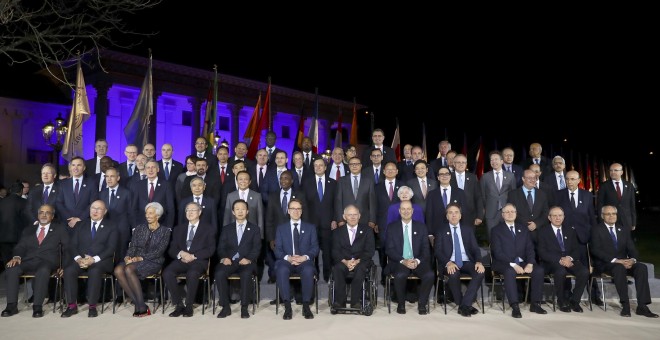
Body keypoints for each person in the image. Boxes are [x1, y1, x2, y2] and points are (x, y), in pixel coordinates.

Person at [590, 205, 658, 318]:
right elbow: (595, 250)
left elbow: (632, 249)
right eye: (608, 214)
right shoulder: (596, 230)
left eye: (613, 214)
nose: (611, 216)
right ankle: (625, 305)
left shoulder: (623, 229)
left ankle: (642, 306)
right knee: (619, 268)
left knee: (641, 268)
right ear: (602, 216)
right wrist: (617, 261)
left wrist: (632, 260)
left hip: (624, 262)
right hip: (606, 263)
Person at [1, 204, 68, 318]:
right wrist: (17, 256)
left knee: (43, 270)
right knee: (11, 268)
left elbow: (67, 248)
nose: (44, 215)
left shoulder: (59, 229)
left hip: (47, 261)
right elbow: (20, 246)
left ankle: (37, 306)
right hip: (29, 260)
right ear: (38, 215)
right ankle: (11, 305)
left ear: (52, 216)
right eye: (41, 212)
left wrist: (64, 266)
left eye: (47, 213)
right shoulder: (29, 229)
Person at [114, 202, 171, 317]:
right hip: (135, 259)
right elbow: (133, 246)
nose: (147, 216)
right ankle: (140, 304)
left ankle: (140, 306)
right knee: (118, 270)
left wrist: (140, 258)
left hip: (153, 261)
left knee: (129, 269)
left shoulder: (165, 231)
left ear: (158, 216)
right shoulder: (139, 228)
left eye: (150, 213)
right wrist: (127, 257)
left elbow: (159, 251)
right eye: (146, 213)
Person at [490, 203, 547, 318]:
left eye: (512, 212)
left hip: (522, 262)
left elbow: (530, 248)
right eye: (507, 212)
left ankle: (535, 303)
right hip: (504, 263)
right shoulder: (496, 230)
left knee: (539, 270)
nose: (510, 214)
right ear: (502, 215)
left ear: (516, 214)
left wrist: (530, 263)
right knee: (510, 271)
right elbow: (498, 252)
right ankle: (515, 306)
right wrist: (513, 265)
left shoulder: (523, 229)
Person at [62, 200, 117, 318]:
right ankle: (71, 305)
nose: (95, 211)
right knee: (69, 270)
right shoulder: (80, 224)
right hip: (81, 260)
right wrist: (78, 259)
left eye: (99, 209)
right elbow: (72, 245)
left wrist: (93, 259)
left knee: (94, 271)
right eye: (93, 208)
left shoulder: (112, 226)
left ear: (105, 211)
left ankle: (92, 306)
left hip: (101, 261)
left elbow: (111, 248)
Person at [163, 202, 216, 318]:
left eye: (193, 210)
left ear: (199, 212)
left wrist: (193, 256)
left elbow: (211, 249)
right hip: (181, 260)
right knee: (167, 273)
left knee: (192, 274)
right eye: (187, 210)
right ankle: (178, 305)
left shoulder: (208, 229)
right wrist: (181, 253)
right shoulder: (178, 229)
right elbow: (172, 249)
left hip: (198, 261)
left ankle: (189, 306)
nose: (190, 212)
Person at [434, 203, 485, 317]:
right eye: (450, 213)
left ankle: (464, 305)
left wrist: (478, 261)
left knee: (480, 271)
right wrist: (448, 263)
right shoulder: (441, 230)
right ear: (447, 216)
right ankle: (463, 304)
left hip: (466, 261)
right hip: (450, 262)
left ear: (460, 215)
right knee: (453, 273)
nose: (453, 215)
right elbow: (437, 251)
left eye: (456, 212)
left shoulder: (468, 229)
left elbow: (475, 249)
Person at [385, 200, 434, 315]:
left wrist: (416, 261)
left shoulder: (421, 227)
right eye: (403, 209)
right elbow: (389, 249)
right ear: (399, 211)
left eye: (408, 209)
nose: (406, 211)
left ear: (412, 211)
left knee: (430, 275)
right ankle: (401, 304)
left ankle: (422, 304)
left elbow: (426, 250)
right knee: (400, 275)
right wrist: (403, 261)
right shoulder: (392, 227)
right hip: (400, 261)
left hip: (417, 261)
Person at [214, 199, 261, 319]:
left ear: (247, 211)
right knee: (219, 273)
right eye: (237, 209)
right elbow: (221, 247)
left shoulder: (255, 229)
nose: (240, 211)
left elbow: (256, 248)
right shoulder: (226, 228)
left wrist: (249, 259)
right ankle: (225, 307)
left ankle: (244, 307)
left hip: (247, 262)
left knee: (246, 274)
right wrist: (225, 258)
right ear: (233, 212)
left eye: (243, 209)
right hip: (230, 261)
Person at [274, 198, 319, 320]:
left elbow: (315, 248)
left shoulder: (310, 228)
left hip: (304, 261)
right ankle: (288, 307)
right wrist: (288, 258)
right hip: (286, 261)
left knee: (308, 270)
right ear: (288, 211)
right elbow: (277, 249)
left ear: (302, 211)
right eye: (293, 209)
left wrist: (304, 257)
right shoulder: (281, 228)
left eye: (298, 209)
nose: (296, 211)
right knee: (281, 270)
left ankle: (306, 306)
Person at [537, 206, 588, 313]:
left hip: (569, 261)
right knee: (560, 271)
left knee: (584, 271)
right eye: (554, 216)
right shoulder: (543, 231)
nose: (557, 218)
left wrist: (569, 258)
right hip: (552, 262)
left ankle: (575, 301)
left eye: (560, 215)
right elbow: (542, 252)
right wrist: (559, 259)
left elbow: (576, 250)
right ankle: (561, 301)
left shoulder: (570, 230)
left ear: (564, 217)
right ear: (549, 218)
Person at [330, 205, 375, 310]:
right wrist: (346, 262)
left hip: (361, 261)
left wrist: (356, 261)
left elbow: (370, 251)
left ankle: (356, 301)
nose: (353, 217)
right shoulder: (337, 232)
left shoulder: (367, 230)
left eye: (355, 214)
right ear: (344, 217)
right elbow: (335, 251)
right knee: (338, 268)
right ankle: (340, 302)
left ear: (359, 216)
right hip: (343, 261)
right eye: (350, 215)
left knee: (361, 269)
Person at [265, 170, 306, 284]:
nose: (283, 180)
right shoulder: (273, 196)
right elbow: (269, 219)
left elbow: (305, 217)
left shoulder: (299, 195)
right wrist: (270, 238)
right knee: (278, 262)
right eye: (281, 178)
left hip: (295, 234)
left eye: (286, 178)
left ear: (292, 181)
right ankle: (274, 277)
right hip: (277, 236)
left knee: (294, 262)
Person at [303, 158, 338, 283]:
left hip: (329, 224)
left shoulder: (333, 183)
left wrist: (335, 219)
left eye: (320, 165)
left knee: (328, 252)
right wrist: (306, 223)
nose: (318, 167)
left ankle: (327, 275)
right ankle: (315, 274)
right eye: (315, 165)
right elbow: (304, 205)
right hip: (311, 224)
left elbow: (337, 203)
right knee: (313, 252)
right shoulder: (307, 183)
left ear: (325, 167)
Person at [506, 169, 550, 245]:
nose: (533, 180)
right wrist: (527, 224)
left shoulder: (542, 194)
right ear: (523, 179)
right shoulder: (513, 194)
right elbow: (511, 213)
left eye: (534, 178)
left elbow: (546, 213)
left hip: (539, 234)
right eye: (529, 178)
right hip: (521, 233)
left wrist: (536, 224)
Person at [99, 167, 135, 259]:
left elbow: (131, 213)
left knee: (121, 256)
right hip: (106, 230)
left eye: (112, 176)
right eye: (107, 176)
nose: (109, 179)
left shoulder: (126, 193)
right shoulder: (102, 193)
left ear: (118, 178)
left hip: (122, 230)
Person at [56, 156, 98, 232]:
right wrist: (69, 218)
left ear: (84, 167)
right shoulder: (62, 183)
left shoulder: (91, 183)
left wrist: (80, 218)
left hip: (84, 223)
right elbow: (59, 203)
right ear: (70, 167)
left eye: (79, 165)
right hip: (66, 223)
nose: (76, 168)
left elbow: (93, 203)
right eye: (73, 165)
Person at [335, 157, 377, 230]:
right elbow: (338, 201)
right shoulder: (341, 181)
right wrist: (340, 220)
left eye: (357, 164)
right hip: (346, 220)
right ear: (349, 166)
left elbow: (372, 202)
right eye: (352, 164)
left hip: (364, 220)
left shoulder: (369, 181)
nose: (354, 166)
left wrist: (372, 220)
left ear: (361, 166)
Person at [480, 151, 517, 235]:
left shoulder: (510, 176)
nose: (494, 162)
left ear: (502, 161)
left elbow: (513, 194)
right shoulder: (485, 177)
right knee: (492, 235)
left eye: (496, 159)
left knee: (508, 235)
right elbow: (482, 195)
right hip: (490, 212)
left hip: (507, 212)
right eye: (491, 160)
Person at [133, 159, 176, 228]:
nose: (150, 170)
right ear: (145, 170)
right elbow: (134, 208)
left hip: (161, 225)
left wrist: (169, 227)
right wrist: (134, 226)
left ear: (158, 169)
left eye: (153, 167)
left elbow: (170, 208)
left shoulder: (166, 185)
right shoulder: (138, 185)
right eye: (148, 168)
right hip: (142, 225)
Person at [425, 167, 465, 237]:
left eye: (447, 174)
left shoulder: (459, 192)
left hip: (456, 229)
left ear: (450, 176)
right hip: (437, 231)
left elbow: (464, 212)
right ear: (438, 177)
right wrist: (430, 233)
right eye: (441, 174)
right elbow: (429, 214)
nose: (444, 176)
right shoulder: (431, 194)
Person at [596, 163, 637, 230]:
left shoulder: (629, 186)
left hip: (626, 221)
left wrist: (633, 222)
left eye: (615, 170)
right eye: (611, 170)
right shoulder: (604, 186)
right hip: (609, 221)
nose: (613, 172)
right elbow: (600, 205)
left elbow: (632, 205)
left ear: (621, 172)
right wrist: (601, 221)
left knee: (626, 240)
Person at [450, 154, 484, 227]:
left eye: (463, 162)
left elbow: (478, 197)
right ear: (454, 164)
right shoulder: (448, 177)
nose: (461, 164)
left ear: (466, 164)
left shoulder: (473, 178)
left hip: (470, 216)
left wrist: (479, 216)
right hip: (452, 215)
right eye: (458, 162)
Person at [0, 182, 27, 270]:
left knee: (6, 261)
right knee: (18, 261)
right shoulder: (24, 203)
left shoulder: (2, 202)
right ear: (21, 191)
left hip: (3, 237)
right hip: (19, 238)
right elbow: (27, 220)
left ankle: (8, 279)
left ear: (10, 190)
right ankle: (17, 281)